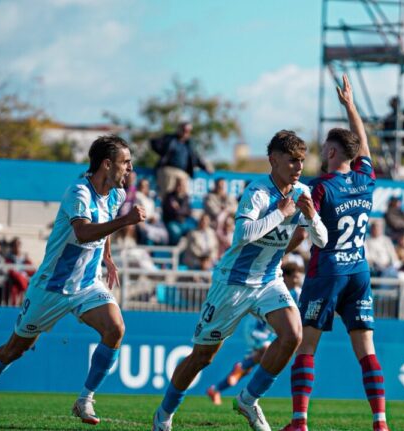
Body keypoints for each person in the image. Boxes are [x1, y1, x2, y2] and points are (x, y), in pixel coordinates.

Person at [0, 135, 147, 430]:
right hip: (51, 288)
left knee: (116, 329)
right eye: (126, 162)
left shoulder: (116, 195)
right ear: (107, 164)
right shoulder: (78, 193)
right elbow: (83, 232)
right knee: (14, 350)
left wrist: (107, 256)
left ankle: (85, 398)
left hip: (86, 285)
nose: (130, 168)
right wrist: (126, 221)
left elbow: (103, 229)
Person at [152, 130, 328, 431]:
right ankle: (164, 413)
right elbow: (243, 234)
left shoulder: (303, 193)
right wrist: (281, 213)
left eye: (301, 161)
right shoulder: (257, 192)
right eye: (292, 160)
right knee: (202, 357)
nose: (299, 167)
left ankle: (248, 399)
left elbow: (322, 241)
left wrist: (311, 218)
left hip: (269, 280)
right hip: (233, 283)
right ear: (273, 160)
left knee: (292, 335)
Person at [280, 75, 389, 431]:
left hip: (327, 272)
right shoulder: (365, 178)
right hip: (359, 271)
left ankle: (299, 421)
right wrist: (351, 106)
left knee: (306, 346)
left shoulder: (320, 188)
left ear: (330, 152)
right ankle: (380, 422)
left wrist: (278, 254)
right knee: (367, 351)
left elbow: (302, 232)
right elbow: (365, 147)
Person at [206, 262, 304, 405]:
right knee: (265, 349)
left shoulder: (297, 293)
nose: (297, 280)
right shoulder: (274, 286)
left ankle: (216, 389)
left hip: (272, 331)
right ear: (286, 277)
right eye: (295, 277)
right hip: (256, 328)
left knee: (250, 367)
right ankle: (242, 367)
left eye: (299, 277)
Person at [151, 122, 213, 199]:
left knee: (183, 197)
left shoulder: (189, 145)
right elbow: (154, 144)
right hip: (169, 171)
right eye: (184, 130)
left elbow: (195, 158)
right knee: (168, 195)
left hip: (183, 173)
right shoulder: (170, 139)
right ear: (179, 129)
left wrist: (205, 166)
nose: (186, 132)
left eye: (188, 131)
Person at [162, 177, 196, 245]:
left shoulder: (186, 197)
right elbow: (170, 211)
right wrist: (181, 211)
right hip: (171, 221)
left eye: (183, 185)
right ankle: (172, 251)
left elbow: (189, 211)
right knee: (176, 232)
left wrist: (178, 209)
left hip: (184, 221)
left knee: (195, 229)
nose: (181, 187)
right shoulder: (169, 196)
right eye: (179, 185)